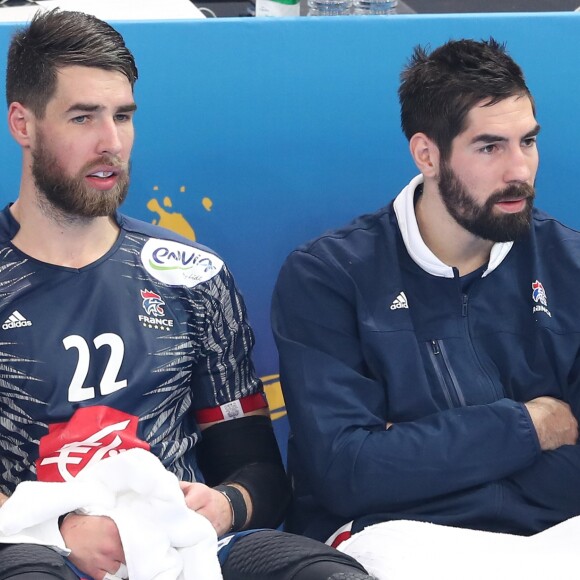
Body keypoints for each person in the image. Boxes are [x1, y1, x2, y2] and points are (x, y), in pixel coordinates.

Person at [0, 9, 375, 580]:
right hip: (30, 549)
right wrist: (57, 528)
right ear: (23, 124)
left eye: (123, 116)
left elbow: (257, 472)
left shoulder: (191, 276)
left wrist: (224, 507)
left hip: (184, 548)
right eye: (83, 117)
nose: (111, 142)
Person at [271, 37, 580, 558]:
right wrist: (530, 425)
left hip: (555, 535)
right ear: (427, 154)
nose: (519, 171)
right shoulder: (328, 276)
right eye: (490, 147)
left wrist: (416, 451)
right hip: (397, 542)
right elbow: (348, 472)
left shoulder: (569, 264)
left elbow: (381, 463)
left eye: (527, 141)